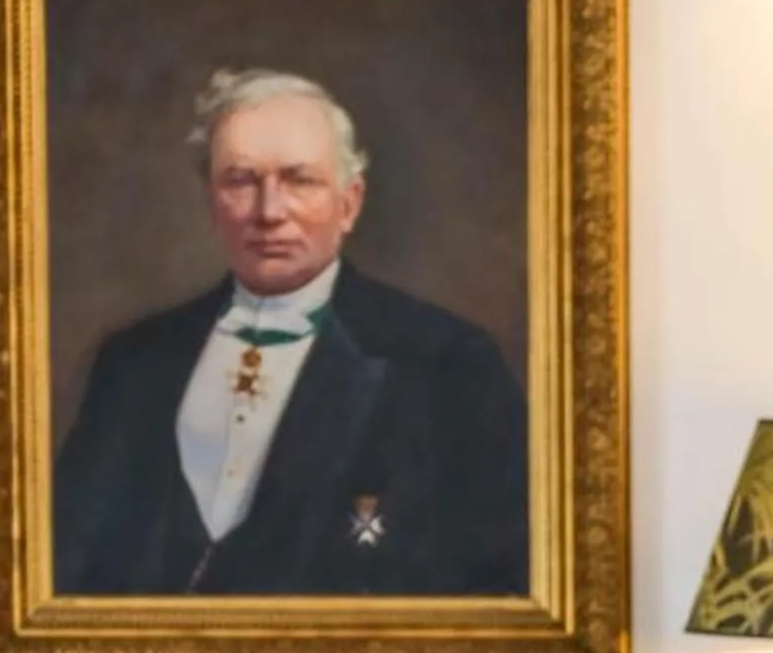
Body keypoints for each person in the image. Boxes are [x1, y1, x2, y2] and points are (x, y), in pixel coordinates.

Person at [53, 67, 528, 597]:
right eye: (241, 180)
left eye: (300, 180)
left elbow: (500, 584)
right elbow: (69, 566)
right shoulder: (134, 363)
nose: (269, 212)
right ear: (212, 200)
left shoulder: (449, 364)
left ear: (349, 203)